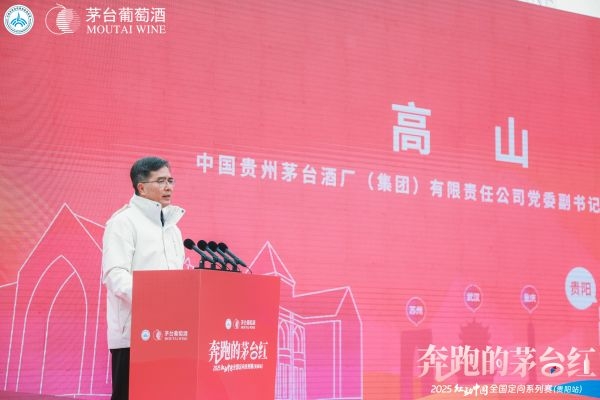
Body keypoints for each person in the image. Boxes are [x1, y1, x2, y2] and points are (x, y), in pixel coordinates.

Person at [102, 156, 185, 400]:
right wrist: (155, 303)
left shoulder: (173, 228)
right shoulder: (123, 222)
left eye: (170, 180)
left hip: (169, 333)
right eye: (161, 181)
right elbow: (115, 275)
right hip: (133, 336)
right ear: (141, 187)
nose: (168, 187)